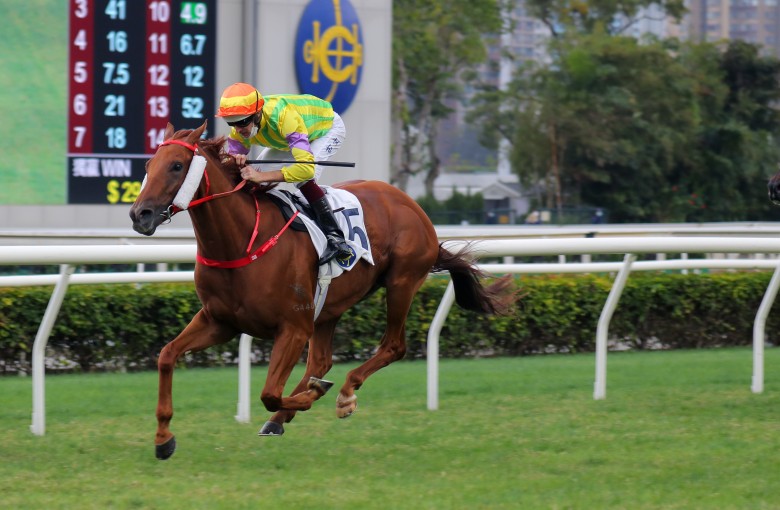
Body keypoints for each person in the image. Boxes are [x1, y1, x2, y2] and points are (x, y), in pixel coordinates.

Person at [215, 82, 351, 263]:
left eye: (241, 122)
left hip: (325, 129)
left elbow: (305, 169)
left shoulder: (284, 117)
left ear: (256, 114)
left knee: (303, 179)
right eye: (231, 123)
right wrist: (235, 161)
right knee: (256, 177)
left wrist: (261, 176)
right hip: (288, 137)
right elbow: (230, 162)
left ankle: (337, 238)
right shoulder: (242, 126)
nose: (238, 129)